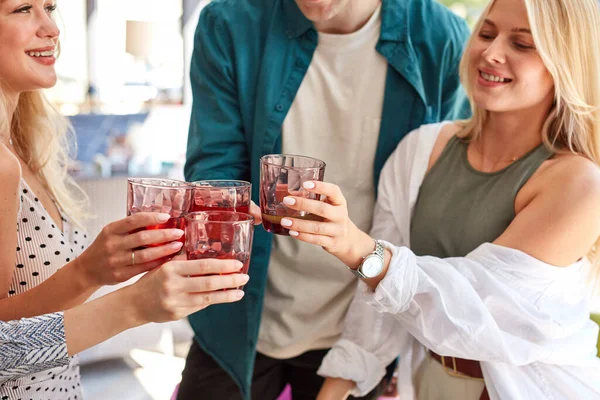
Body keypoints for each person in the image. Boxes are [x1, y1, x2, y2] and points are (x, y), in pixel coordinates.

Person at [277, 0, 600, 398]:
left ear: (566, 61)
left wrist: (354, 246)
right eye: (486, 33)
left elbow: (474, 312)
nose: (492, 52)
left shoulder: (580, 184)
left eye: (522, 44)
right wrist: (333, 391)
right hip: (427, 382)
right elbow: (377, 306)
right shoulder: (419, 151)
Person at [182, 0, 471, 398]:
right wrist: (224, 206)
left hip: (363, 327)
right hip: (238, 317)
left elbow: (442, 201)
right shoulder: (229, 23)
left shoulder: (442, 40)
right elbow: (214, 166)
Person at [0, 0, 248, 398]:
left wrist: (96, 270)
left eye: (49, 7)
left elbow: (18, 311)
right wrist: (130, 303)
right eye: (23, 9)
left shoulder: (28, 146)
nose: (51, 28)